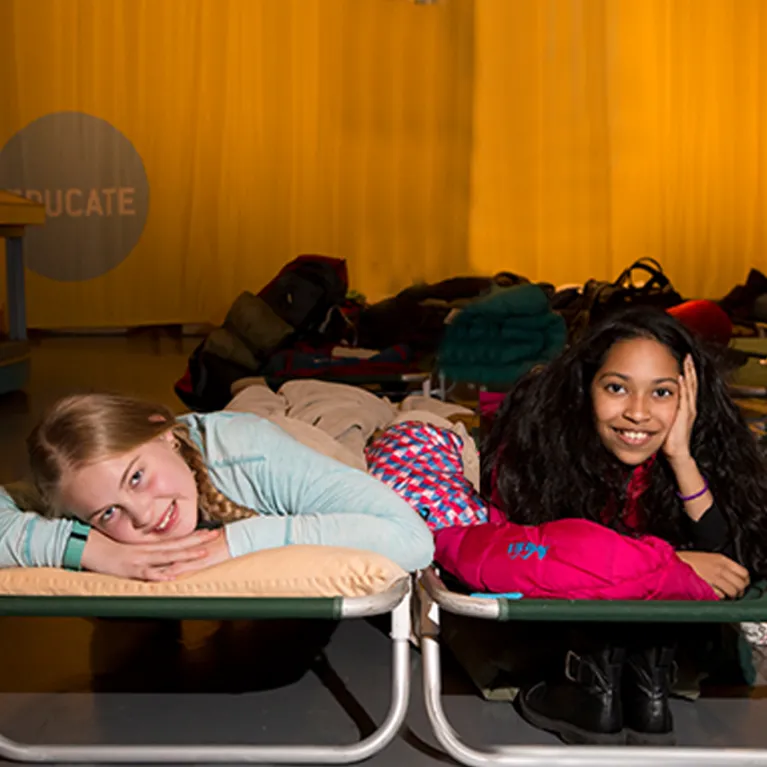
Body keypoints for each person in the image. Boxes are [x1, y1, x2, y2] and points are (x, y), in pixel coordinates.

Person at [481, 306, 767, 746]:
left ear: (689, 397)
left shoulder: (706, 450)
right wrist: (668, 563)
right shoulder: (537, 445)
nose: (637, 413)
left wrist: (681, 458)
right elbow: (540, 557)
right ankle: (599, 686)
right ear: (585, 388)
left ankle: (629, 687)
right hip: (554, 635)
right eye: (617, 388)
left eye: (662, 393)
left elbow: (731, 567)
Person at [0, 393, 435, 579]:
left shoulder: (250, 456)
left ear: (164, 433)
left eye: (137, 476)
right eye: (108, 514)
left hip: (275, 442)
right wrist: (97, 550)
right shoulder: (77, 487)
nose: (145, 515)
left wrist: (236, 540)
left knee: (334, 413)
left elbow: (412, 537)